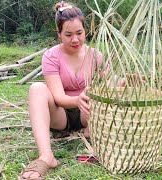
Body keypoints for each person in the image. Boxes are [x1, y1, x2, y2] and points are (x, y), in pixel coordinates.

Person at [19, 1, 102, 179]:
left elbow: (110, 83)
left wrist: (124, 82)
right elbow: (58, 97)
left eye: (79, 33)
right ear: (59, 34)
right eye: (68, 34)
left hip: (87, 114)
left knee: (98, 92)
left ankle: (92, 131)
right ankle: (46, 156)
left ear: (85, 31)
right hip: (61, 116)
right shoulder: (51, 56)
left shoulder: (95, 55)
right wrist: (77, 99)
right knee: (36, 88)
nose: (75, 39)